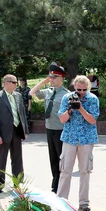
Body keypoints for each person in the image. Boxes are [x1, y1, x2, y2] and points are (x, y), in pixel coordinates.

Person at [57, 75, 100, 211]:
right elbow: (62, 119)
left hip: (86, 139)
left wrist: (80, 108)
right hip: (70, 138)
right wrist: (70, 109)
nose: (81, 92)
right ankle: (61, 200)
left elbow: (92, 120)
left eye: (84, 89)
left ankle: (84, 202)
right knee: (65, 170)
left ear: (88, 88)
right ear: (74, 87)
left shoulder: (93, 99)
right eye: (78, 89)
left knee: (85, 170)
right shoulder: (66, 98)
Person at [30, 65, 70, 193]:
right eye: (51, 77)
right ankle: (55, 183)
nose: (52, 79)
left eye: (55, 77)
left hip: (61, 130)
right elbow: (32, 93)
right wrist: (45, 81)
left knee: (60, 159)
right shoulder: (48, 91)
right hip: (49, 129)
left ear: (62, 78)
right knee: (52, 159)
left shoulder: (67, 95)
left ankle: (59, 185)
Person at [0, 74, 29, 192]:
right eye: (14, 82)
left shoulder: (18, 96)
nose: (16, 84)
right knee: (1, 159)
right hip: (2, 133)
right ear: (6, 83)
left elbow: (22, 114)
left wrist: (25, 130)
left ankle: (19, 183)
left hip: (17, 131)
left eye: (16, 82)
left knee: (17, 159)